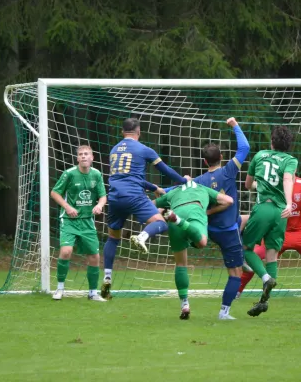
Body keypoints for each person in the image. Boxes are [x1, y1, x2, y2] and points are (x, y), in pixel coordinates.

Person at [166, 117, 249, 319]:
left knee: (247, 218)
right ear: (222, 156)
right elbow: (245, 147)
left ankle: (245, 256)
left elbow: (175, 189)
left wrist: (166, 187)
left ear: (204, 161)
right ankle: (224, 312)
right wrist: (235, 125)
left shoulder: (199, 181)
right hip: (228, 231)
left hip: (210, 230)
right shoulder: (229, 170)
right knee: (236, 274)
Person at [101, 118, 189, 299]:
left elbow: (130, 176)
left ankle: (107, 277)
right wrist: (183, 181)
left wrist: (154, 188)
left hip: (115, 196)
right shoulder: (144, 150)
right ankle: (142, 237)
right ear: (139, 131)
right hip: (134, 196)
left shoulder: (114, 150)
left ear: (122, 132)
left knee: (112, 237)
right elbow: (166, 170)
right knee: (162, 223)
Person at [154, 180, 233, 319]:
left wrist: (160, 209)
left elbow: (150, 205)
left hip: (176, 211)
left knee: (180, 264)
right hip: (195, 211)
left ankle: (184, 304)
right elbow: (228, 201)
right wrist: (208, 211)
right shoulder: (202, 188)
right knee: (202, 242)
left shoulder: (173, 192)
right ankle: (179, 221)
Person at [242, 125, 297, 317]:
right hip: (281, 213)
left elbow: (248, 185)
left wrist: (260, 183)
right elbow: (287, 179)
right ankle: (264, 301)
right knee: (272, 256)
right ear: (289, 145)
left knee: (245, 249)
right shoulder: (290, 160)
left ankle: (265, 278)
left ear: (272, 141)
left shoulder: (260, 155)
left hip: (263, 208)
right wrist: (289, 204)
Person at [50, 145, 107, 301]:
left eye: (86, 154)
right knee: (66, 251)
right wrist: (67, 207)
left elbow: (103, 196)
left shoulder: (96, 174)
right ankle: (60, 288)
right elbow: (54, 193)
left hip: (87, 221)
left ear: (92, 157)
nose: (83, 156)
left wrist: (99, 205)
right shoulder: (69, 174)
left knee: (94, 256)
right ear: (77, 158)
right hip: (69, 221)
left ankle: (93, 293)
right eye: (80, 154)